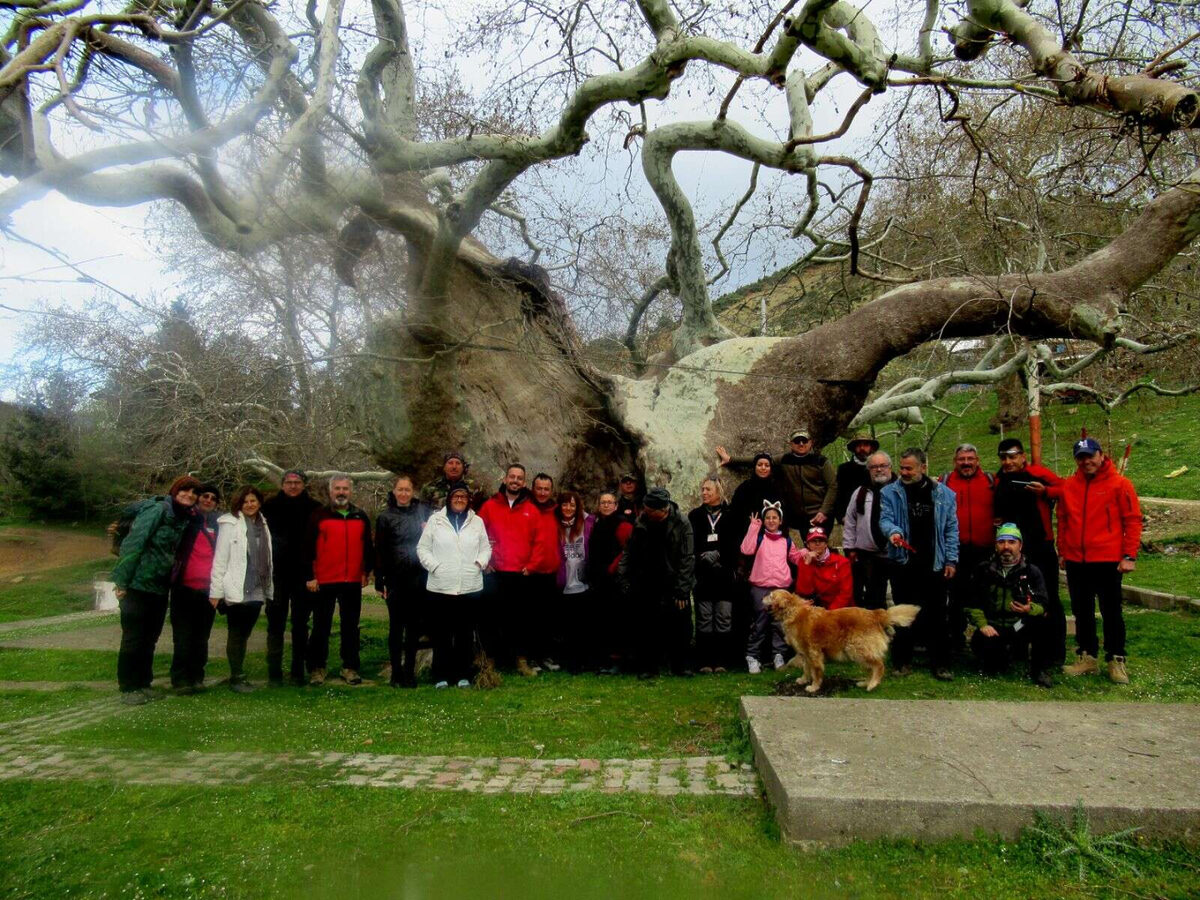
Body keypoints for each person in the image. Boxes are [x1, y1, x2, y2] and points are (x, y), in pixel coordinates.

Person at [1052, 438, 1142, 684]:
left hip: (1107, 559)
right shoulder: (1069, 486)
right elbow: (1063, 520)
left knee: (1111, 611)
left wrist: (1129, 555)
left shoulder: (1120, 484)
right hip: (1076, 560)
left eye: (1090, 456)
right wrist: (1062, 551)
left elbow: (1133, 520)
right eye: (1081, 457)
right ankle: (1087, 657)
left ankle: (1116, 659)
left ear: (1101, 456)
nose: (1086, 461)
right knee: (1082, 611)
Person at [110, 476, 201, 704]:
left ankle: (143, 683)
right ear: (174, 490)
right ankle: (128, 687)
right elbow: (134, 544)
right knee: (134, 637)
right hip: (138, 584)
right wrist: (122, 581)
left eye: (193, 493)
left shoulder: (183, 518)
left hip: (159, 587)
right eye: (184, 490)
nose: (189, 495)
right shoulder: (157, 510)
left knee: (150, 638)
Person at [879, 448, 959, 681]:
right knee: (902, 613)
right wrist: (893, 532)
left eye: (908, 468)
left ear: (923, 468)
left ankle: (941, 664)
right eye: (901, 467)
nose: (903, 472)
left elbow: (951, 529)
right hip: (903, 563)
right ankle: (902, 661)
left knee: (937, 615)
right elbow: (885, 519)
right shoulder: (889, 492)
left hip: (934, 563)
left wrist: (951, 559)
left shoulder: (945, 494)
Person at [993, 438, 1066, 664]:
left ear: (1022, 456)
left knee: (1048, 598)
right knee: (1017, 598)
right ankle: (1019, 648)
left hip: (1041, 545)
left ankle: (1054, 652)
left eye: (1012, 456)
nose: (1008, 461)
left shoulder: (1038, 472)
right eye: (1004, 457)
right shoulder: (998, 479)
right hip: (1013, 549)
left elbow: (1065, 489)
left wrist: (1046, 492)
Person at [417, 482, 491, 688]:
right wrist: (435, 566)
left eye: (463, 497)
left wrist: (479, 563)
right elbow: (423, 548)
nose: (460, 500)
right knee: (442, 633)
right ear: (449, 499)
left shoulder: (477, 522)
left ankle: (463, 675)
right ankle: (441, 675)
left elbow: (485, 548)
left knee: (464, 634)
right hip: (441, 585)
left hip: (469, 586)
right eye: (456, 497)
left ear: (468, 501)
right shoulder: (436, 521)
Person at [303, 474, 374, 686]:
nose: (341, 492)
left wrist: (366, 571)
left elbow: (367, 547)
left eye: (345, 489)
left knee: (351, 625)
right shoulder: (319, 515)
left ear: (350, 492)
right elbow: (307, 548)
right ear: (331, 491)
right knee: (321, 626)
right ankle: (317, 668)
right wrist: (310, 576)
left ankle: (350, 667)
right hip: (324, 579)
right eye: (337, 489)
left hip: (351, 579)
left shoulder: (359, 516)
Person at [617, 487, 695, 679]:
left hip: (674, 580)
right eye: (646, 510)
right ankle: (647, 666)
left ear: (664, 509)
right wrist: (623, 575)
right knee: (646, 625)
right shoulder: (641, 521)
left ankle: (681, 665)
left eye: (652, 511)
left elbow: (687, 557)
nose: (648, 513)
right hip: (647, 578)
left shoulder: (682, 523)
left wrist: (683, 589)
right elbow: (630, 550)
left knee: (681, 625)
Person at [964, 523, 1053, 688]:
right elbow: (971, 602)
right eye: (1002, 542)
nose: (1006, 547)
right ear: (996, 545)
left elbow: (1044, 603)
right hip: (993, 627)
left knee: (1042, 623)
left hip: (1019, 625)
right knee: (992, 661)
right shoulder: (984, 570)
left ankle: (1039, 669)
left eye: (1012, 542)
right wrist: (983, 625)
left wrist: (1029, 609)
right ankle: (1001, 657)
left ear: (1020, 545)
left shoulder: (1032, 571)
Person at [478, 464, 541, 676]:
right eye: (512, 477)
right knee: (490, 620)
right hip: (494, 573)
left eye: (520, 478)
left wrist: (531, 566)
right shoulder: (489, 506)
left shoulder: (532, 510)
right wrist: (484, 562)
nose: (515, 481)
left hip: (520, 574)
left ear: (524, 483)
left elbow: (539, 541)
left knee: (520, 620)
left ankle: (521, 661)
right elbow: (476, 535)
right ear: (505, 479)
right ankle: (490, 662)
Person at [209, 485, 273, 692]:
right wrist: (216, 591)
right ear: (239, 503)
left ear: (259, 502)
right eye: (245, 501)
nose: (249, 505)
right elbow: (220, 558)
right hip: (236, 586)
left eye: (253, 501)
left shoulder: (263, 524)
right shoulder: (230, 524)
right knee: (236, 632)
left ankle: (239, 673)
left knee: (245, 632)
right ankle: (236, 676)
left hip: (256, 587)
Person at [717, 427, 836, 537]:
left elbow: (833, 486)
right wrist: (731, 459)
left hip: (819, 515)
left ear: (811, 443)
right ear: (791, 444)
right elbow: (761, 460)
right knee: (806, 550)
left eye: (804, 441)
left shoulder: (821, 462)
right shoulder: (785, 459)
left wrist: (824, 511)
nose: (801, 444)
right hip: (799, 517)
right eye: (797, 441)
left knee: (819, 548)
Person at [261, 470, 320, 686]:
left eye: (297, 482)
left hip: (303, 576)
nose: (293, 486)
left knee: (300, 624)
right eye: (289, 482)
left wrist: (313, 575)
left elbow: (318, 544)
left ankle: (298, 671)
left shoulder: (314, 508)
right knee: (275, 624)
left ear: (303, 484)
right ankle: (274, 672)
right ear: (282, 484)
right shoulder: (269, 507)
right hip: (276, 574)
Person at [375, 474, 431, 687]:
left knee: (414, 628)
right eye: (400, 489)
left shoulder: (423, 513)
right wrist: (380, 580)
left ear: (413, 491)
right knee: (396, 628)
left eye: (408, 489)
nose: (404, 493)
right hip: (395, 577)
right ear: (394, 491)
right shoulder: (385, 517)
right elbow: (379, 550)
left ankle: (409, 672)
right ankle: (395, 672)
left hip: (418, 576)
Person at [940, 444, 995, 646]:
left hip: (984, 549)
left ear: (977, 460)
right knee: (955, 596)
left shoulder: (990, 481)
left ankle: (988, 640)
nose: (966, 463)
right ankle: (956, 638)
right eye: (962, 459)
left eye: (970, 459)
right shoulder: (945, 482)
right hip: (956, 549)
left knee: (985, 594)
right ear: (955, 462)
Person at [167, 483, 220, 694]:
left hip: (207, 590)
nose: (208, 500)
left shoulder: (218, 525)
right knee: (182, 636)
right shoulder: (186, 519)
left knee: (201, 637)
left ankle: (197, 676)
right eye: (204, 496)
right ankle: (180, 679)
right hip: (184, 587)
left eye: (213, 498)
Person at [740, 501, 803, 673]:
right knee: (759, 624)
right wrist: (753, 528)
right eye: (768, 517)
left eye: (775, 517)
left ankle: (778, 655)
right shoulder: (760, 538)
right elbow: (746, 550)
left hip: (781, 589)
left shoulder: (786, 541)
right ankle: (752, 656)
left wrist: (807, 554)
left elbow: (796, 558)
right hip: (761, 587)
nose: (771, 520)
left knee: (779, 625)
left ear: (780, 521)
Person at [687, 477, 740, 673]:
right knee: (704, 617)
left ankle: (722, 661)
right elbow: (690, 542)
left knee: (723, 617)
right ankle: (704, 661)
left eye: (708, 489)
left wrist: (720, 555)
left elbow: (735, 543)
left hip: (724, 576)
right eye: (702, 489)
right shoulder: (695, 515)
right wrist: (702, 556)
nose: (704, 493)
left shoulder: (730, 515)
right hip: (703, 576)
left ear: (719, 491)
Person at [587, 490, 634, 674]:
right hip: (600, 581)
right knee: (603, 621)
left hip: (615, 581)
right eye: (603, 502)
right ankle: (604, 659)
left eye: (609, 502)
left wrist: (612, 568)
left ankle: (618, 660)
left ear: (616, 505)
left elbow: (627, 550)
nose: (606, 505)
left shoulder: (622, 525)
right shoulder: (597, 524)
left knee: (617, 622)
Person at [842, 451, 896, 609]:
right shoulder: (860, 493)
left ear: (890, 467)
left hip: (896, 554)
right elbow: (850, 521)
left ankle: (901, 632)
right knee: (874, 598)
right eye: (874, 467)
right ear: (869, 470)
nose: (879, 470)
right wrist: (849, 547)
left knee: (900, 595)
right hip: (869, 555)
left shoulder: (901, 490)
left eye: (883, 466)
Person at [555, 490, 594, 672]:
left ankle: (585, 660)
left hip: (583, 581)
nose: (568, 508)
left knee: (583, 625)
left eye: (572, 504)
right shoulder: (554, 524)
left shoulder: (589, 522)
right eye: (565, 504)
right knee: (566, 625)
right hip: (563, 580)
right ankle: (569, 661)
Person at [528, 473, 562, 670]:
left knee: (548, 618)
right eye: (539, 488)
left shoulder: (556, 511)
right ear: (533, 489)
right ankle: (532, 658)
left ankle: (546, 656)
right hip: (531, 572)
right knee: (531, 618)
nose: (542, 492)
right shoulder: (526, 508)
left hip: (551, 571)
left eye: (546, 489)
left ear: (551, 491)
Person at [793, 525, 853, 610]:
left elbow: (846, 593)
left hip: (840, 610)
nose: (817, 543)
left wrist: (830, 613)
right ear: (808, 545)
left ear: (826, 544)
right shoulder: (805, 561)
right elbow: (803, 592)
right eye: (813, 541)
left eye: (821, 540)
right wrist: (806, 565)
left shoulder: (842, 562)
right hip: (818, 608)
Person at [833, 433, 879, 524]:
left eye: (866, 445)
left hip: (875, 519)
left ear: (871, 448)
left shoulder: (878, 468)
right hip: (851, 519)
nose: (862, 448)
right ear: (854, 448)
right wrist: (841, 516)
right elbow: (838, 495)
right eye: (858, 445)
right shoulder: (844, 469)